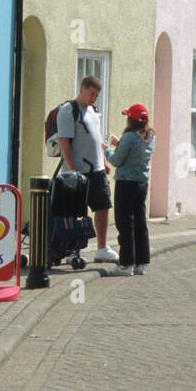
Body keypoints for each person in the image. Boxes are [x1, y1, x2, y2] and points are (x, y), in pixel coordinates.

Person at [56, 75, 118, 263]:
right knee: (76, 211)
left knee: (103, 206)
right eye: (91, 94)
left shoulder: (93, 111)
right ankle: (74, 250)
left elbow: (96, 138)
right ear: (82, 89)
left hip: (97, 169)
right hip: (77, 171)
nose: (93, 98)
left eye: (96, 95)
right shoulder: (68, 111)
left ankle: (101, 248)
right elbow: (64, 142)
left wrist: (104, 162)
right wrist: (72, 170)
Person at [101, 104, 155, 277]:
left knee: (124, 223)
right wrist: (119, 143)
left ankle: (125, 264)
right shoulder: (151, 136)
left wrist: (107, 149)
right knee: (140, 223)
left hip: (125, 184)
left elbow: (116, 161)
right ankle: (140, 262)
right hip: (141, 184)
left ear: (130, 120)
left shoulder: (130, 137)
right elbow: (133, 152)